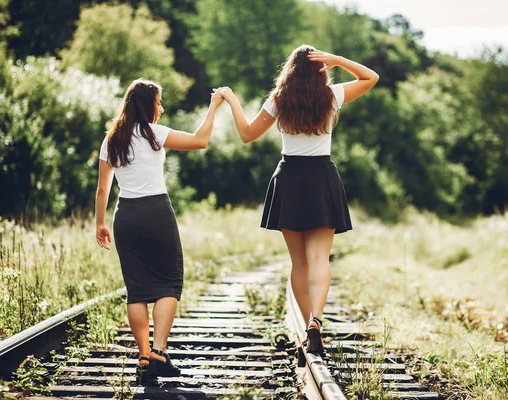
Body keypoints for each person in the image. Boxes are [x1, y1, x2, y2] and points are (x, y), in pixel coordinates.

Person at [220, 45, 379, 354]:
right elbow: (370, 77)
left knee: (299, 262)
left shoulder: (279, 100)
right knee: (320, 258)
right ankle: (315, 321)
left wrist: (234, 102)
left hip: (289, 178)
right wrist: (337, 60)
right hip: (322, 178)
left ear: (289, 70)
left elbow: (247, 134)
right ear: (321, 70)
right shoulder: (331, 96)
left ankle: (308, 325)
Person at [95, 78, 224, 382]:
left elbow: (103, 188)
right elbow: (200, 140)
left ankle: (142, 357)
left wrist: (100, 223)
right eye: (159, 102)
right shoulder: (154, 133)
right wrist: (214, 105)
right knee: (169, 282)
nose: (162, 108)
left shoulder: (111, 139)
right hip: (156, 212)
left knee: (136, 289)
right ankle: (159, 351)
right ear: (147, 104)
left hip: (125, 215)